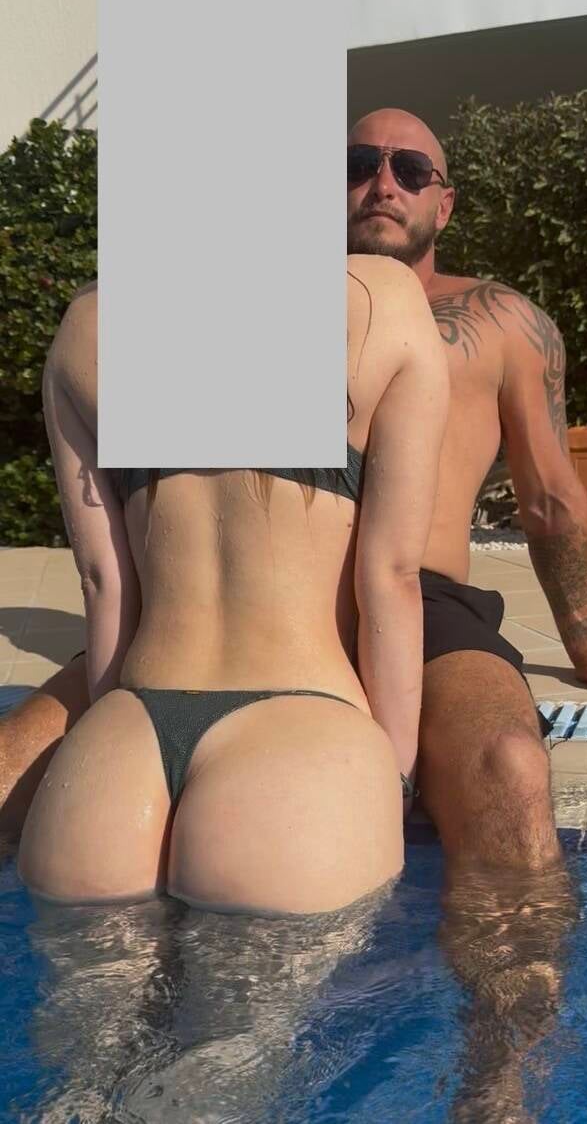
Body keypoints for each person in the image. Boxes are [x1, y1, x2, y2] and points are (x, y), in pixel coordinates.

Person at [1, 107, 587, 869]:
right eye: (358, 165)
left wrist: (585, 640)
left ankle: (507, 952)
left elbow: (550, 498)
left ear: (445, 203)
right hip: (229, 610)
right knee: (9, 766)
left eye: (411, 170)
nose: (383, 184)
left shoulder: (501, 321)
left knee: (510, 767)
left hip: (425, 604)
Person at [17, 255, 449, 913]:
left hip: (120, 745)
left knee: (90, 980)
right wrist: (396, 780)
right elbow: (390, 579)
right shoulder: (380, 297)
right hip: (302, 732)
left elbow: (103, 583)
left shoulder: (88, 322)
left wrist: (113, 725)